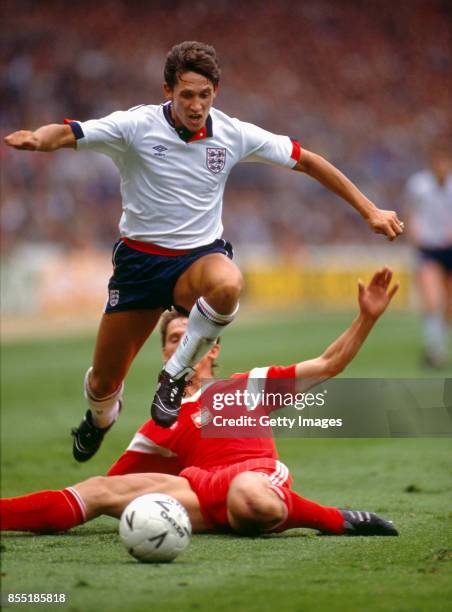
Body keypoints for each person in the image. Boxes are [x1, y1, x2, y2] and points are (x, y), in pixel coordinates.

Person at [4, 41, 405, 463]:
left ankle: (174, 375)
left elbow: (308, 160)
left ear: (216, 91)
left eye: (204, 95)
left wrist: (370, 210)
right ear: (167, 92)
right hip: (139, 265)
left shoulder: (232, 133)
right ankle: (101, 418)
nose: (196, 105)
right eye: (186, 95)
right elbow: (69, 132)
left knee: (229, 283)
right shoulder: (134, 126)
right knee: (104, 381)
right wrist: (38, 139)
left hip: (198, 259)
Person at [1, 268, 400, 537]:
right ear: (164, 355)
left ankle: (336, 520)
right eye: (174, 340)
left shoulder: (248, 386)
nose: (183, 346)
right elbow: (114, 483)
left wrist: (366, 317)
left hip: (254, 476)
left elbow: (329, 364)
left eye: (192, 338)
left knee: (249, 496)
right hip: (199, 492)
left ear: (212, 348)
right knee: (98, 490)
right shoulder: (161, 423)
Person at [405, 147, 452, 368]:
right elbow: (411, 212)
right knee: (432, 299)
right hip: (429, 248)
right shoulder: (419, 185)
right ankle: (435, 351)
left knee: (449, 306)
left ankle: (437, 343)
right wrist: (414, 235)